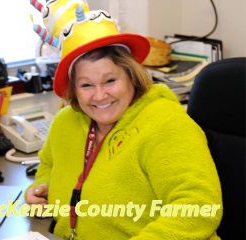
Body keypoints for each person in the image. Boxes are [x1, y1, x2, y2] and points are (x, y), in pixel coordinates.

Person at [26, 1, 222, 239]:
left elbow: (198, 208)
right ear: (74, 90)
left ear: (131, 76)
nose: (99, 95)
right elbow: (48, 164)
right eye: (86, 85)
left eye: (110, 81)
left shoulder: (167, 124)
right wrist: (42, 189)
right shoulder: (65, 122)